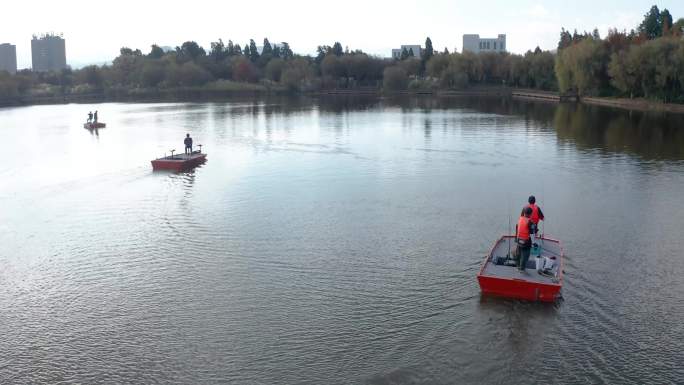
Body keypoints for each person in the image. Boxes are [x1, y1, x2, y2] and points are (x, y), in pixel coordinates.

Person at [515, 207, 534, 273]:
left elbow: (517, 227)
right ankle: (522, 269)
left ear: (524, 213)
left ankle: (517, 265)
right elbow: (532, 232)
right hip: (526, 242)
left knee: (518, 253)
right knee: (525, 255)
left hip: (518, 240)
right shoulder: (530, 222)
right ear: (530, 214)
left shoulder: (520, 219)